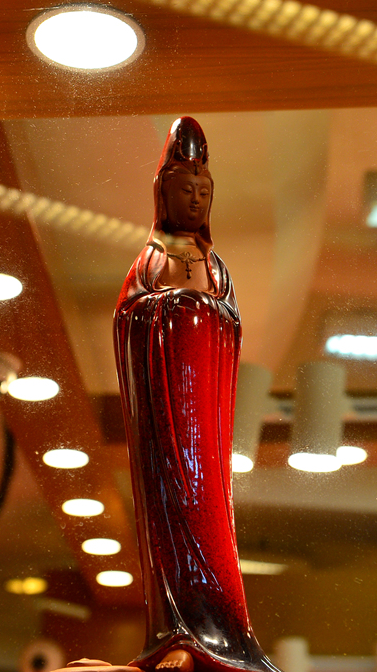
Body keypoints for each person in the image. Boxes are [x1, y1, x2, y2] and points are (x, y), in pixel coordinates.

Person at [114, 117, 279, 672]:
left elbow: (231, 326)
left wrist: (202, 312)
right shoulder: (150, 263)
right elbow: (129, 318)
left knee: (211, 515)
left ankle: (222, 633)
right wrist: (172, 309)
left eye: (203, 192)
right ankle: (178, 632)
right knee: (171, 511)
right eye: (185, 190)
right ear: (163, 195)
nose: (195, 200)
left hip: (204, 417)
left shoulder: (215, 266)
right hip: (166, 412)